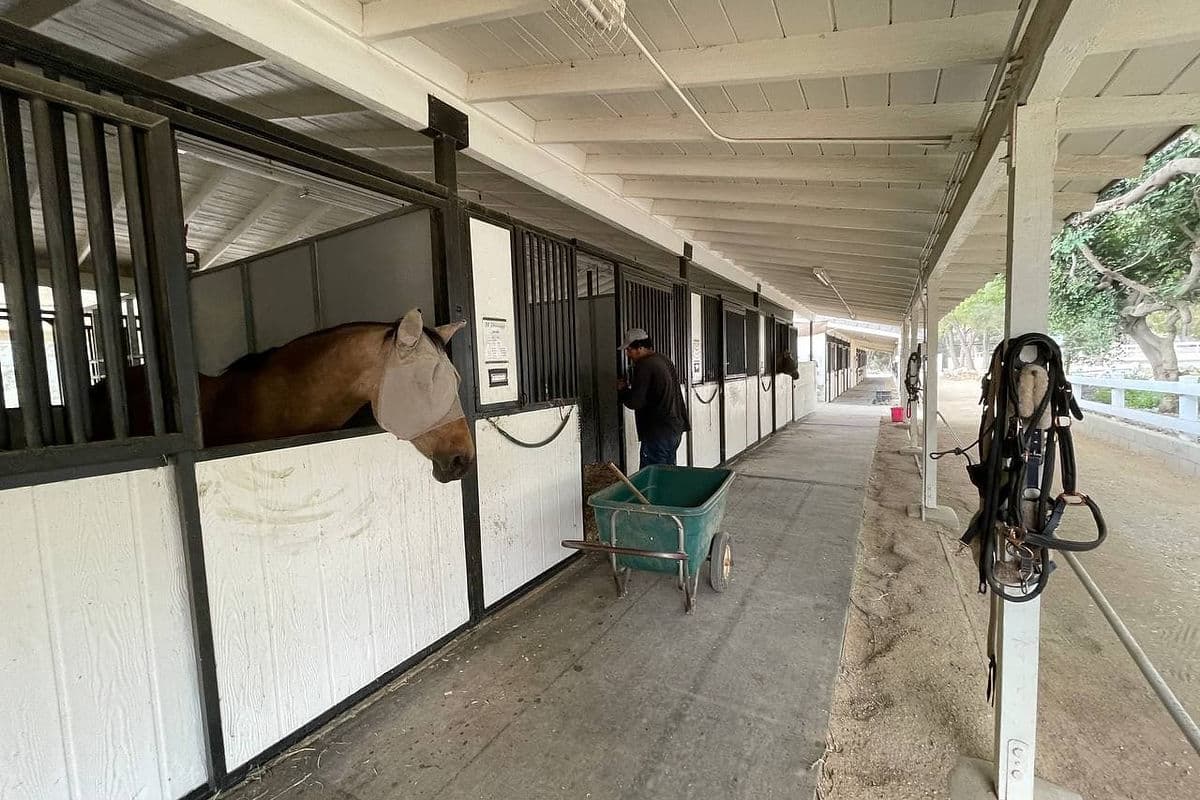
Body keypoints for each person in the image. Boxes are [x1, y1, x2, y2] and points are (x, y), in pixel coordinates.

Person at [617, 328, 691, 469]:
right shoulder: (664, 359)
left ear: (640, 347)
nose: (627, 354)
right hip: (674, 429)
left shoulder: (644, 365)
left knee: (652, 474)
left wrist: (623, 389)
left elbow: (635, 402)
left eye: (629, 350)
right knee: (667, 471)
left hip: (657, 432)